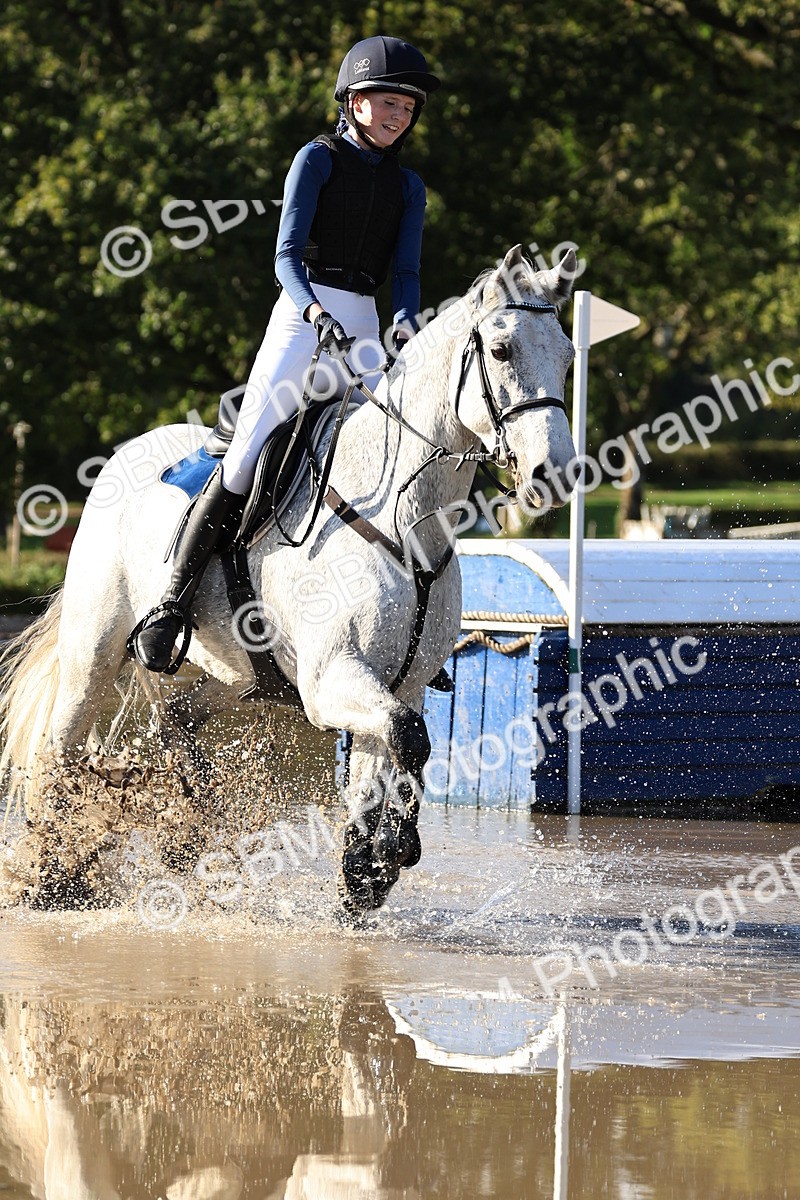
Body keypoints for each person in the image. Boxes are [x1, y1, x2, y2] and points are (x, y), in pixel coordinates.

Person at [132, 35, 440, 672]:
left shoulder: (409, 187)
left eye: (407, 108)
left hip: (363, 321)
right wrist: (311, 310)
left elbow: (405, 274)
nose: (398, 116)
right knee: (247, 454)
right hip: (302, 315)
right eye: (387, 102)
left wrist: (408, 324)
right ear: (353, 101)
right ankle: (171, 601)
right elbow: (285, 257)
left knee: (399, 451)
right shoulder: (317, 159)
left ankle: (408, 621)